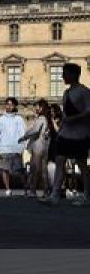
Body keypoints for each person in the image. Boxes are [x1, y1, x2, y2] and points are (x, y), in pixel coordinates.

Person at [41, 63, 90, 206]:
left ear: (74, 75)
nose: (62, 76)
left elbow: (89, 111)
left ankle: (87, 195)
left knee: (82, 164)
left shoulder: (84, 92)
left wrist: (73, 119)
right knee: (60, 160)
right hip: (66, 133)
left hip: (80, 134)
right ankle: (55, 194)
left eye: (65, 73)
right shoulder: (66, 93)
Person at [0, 97, 25, 196]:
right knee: (5, 170)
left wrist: (22, 147)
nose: (9, 106)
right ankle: (8, 188)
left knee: (19, 170)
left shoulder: (19, 119)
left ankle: (26, 188)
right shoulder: (0, 120)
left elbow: (23, 133)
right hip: (4, 148)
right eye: (7, 104)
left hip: (16, 148)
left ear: (15, 106)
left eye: (11, 104)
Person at [19, 99, 52, 197]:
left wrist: (24, 136)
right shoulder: (48, 119)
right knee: (44, 170)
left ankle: (32, 191)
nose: (35, 108)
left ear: (41, 108)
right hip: (45, 147)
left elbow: (35, 130)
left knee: (34, 170)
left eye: (37, 106)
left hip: (38, 147)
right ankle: (46, 191)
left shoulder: (41, 118)